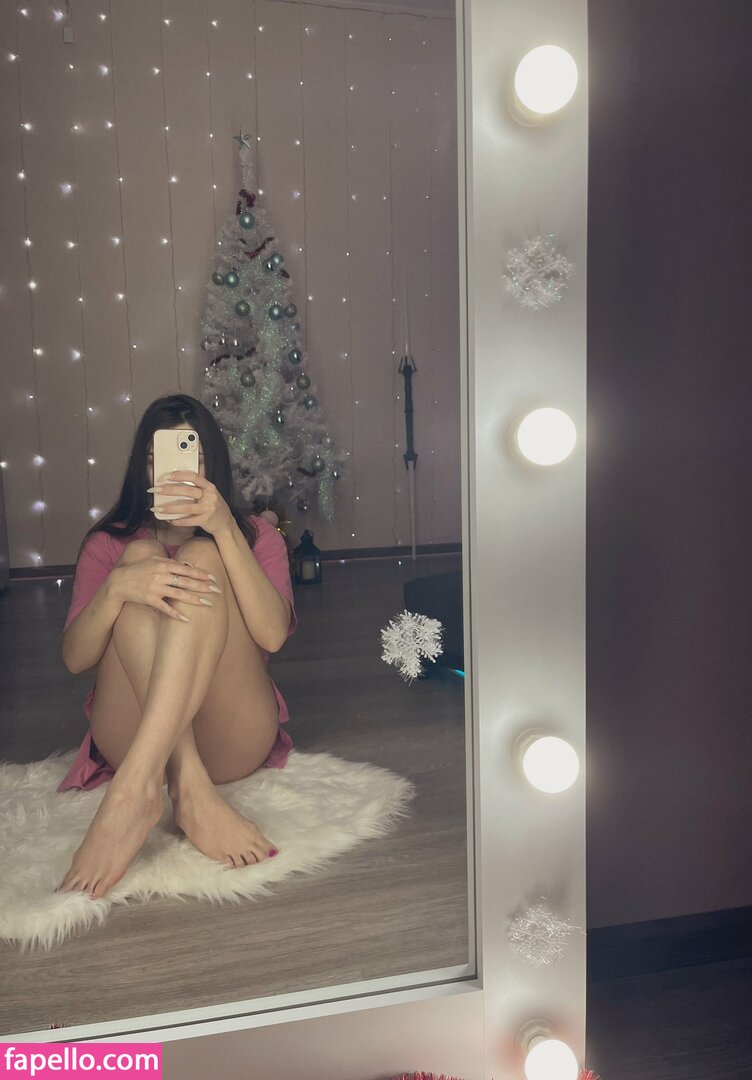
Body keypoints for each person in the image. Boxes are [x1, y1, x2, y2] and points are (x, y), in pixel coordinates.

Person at [55, 394, 298, 901]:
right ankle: (183, 787)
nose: (176, 471)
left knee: (200, 556)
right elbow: (76, 658)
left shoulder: (256, 536)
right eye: (157, 458)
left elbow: (272, 635)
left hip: (230, 735)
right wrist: (117, 588)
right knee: (140, 558)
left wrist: (224, 530)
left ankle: (135, 792)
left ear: (213, 465)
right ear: (142, 468)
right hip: (134, 735)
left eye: (194, 457)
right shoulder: (109, 543)